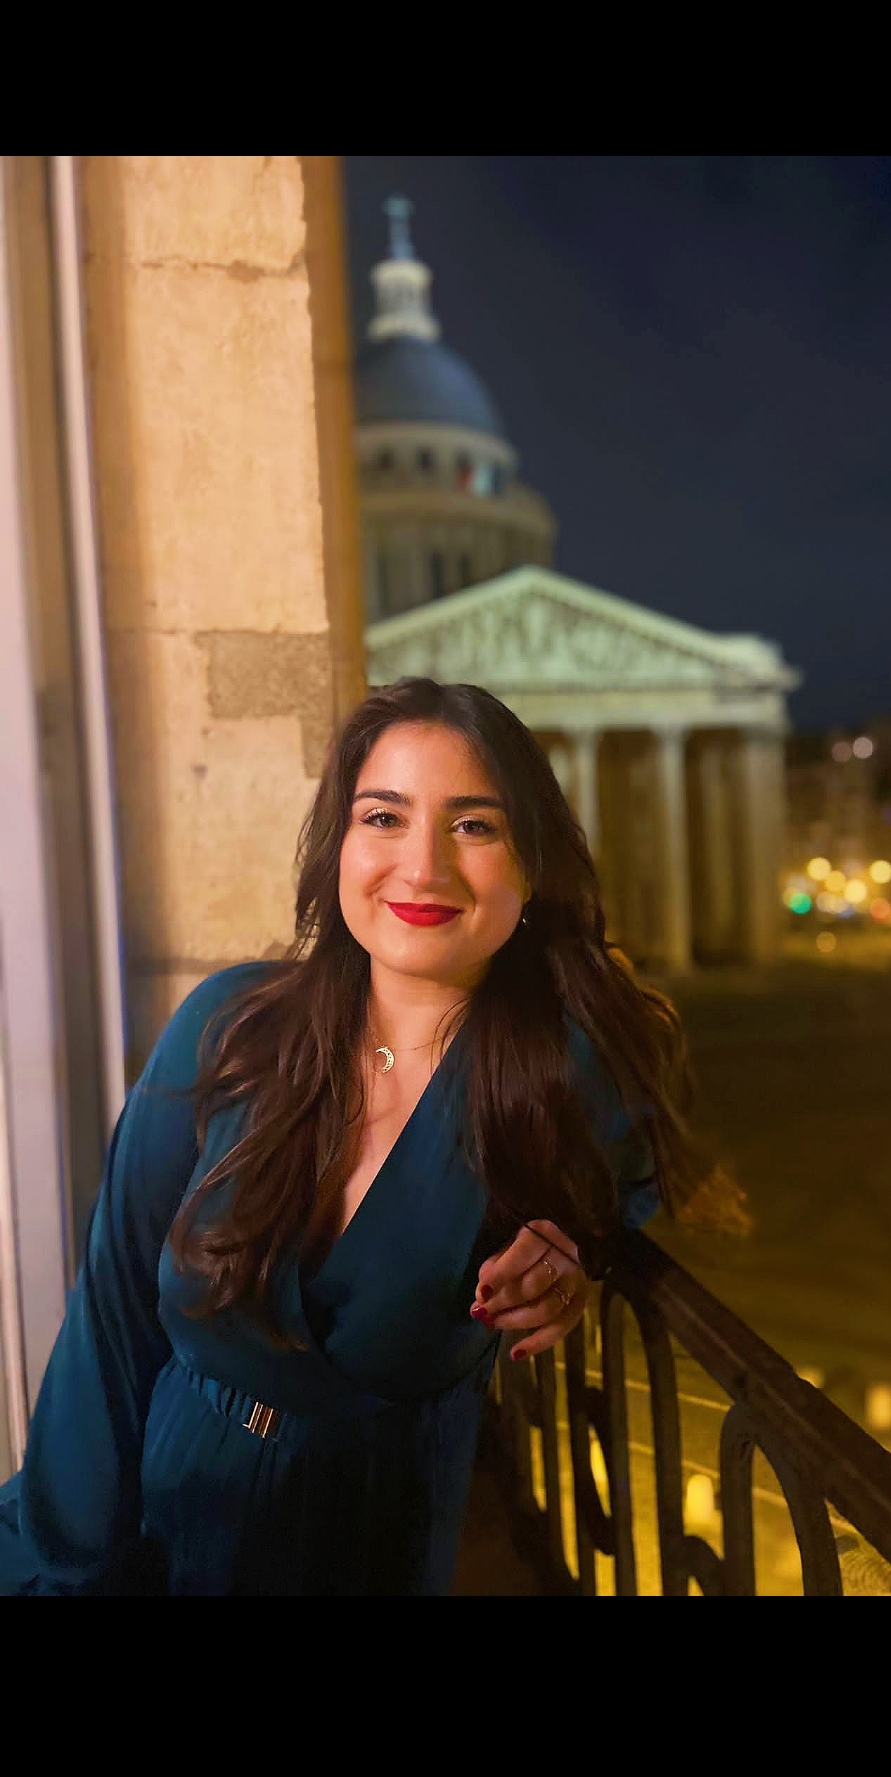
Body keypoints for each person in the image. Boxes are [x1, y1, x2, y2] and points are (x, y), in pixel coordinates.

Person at [0, 677, 712, 1597]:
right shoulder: (228, 1028)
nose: (422, 868)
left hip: (369, 1548)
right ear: (337, 843)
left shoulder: (564, 1075)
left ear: (532, 865)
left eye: (474, 825)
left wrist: (574, 1257)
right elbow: (113, 1311)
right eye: (383, 817)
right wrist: (70, 1564)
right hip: (154, 1529)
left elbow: (629, 1192)